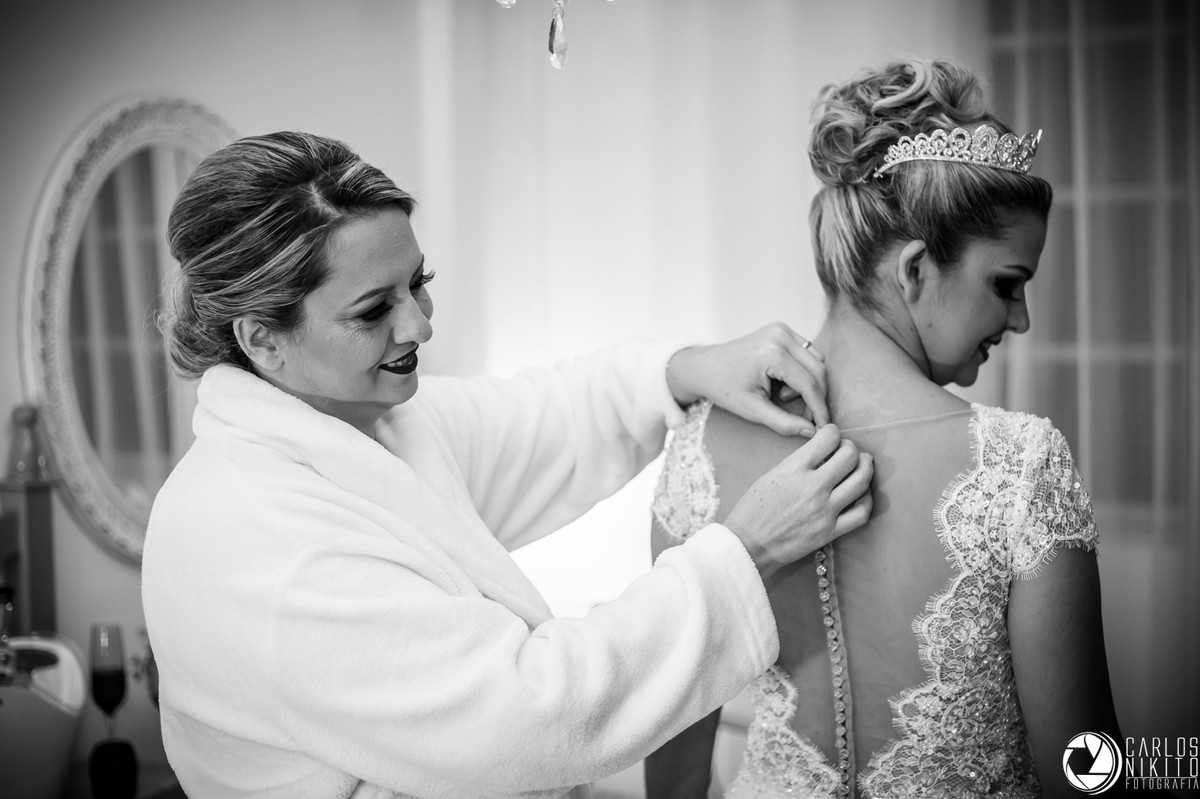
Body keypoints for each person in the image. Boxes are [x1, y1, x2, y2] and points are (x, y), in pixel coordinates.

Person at [140, 130, 876, 799]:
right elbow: (529, 715)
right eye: (373, 310)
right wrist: (748, 551)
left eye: (418, 284)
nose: (420, 325)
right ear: (263, 338)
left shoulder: (370, 426)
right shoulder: (258, 541)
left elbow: (544, 418)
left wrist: (682, 369)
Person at [645, 58, 1139, 799]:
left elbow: (674, 775)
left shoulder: (696, 455)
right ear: (913, 270)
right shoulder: (1022, 464)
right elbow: (1088, 772)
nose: (1021, 320)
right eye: (1007, 284)